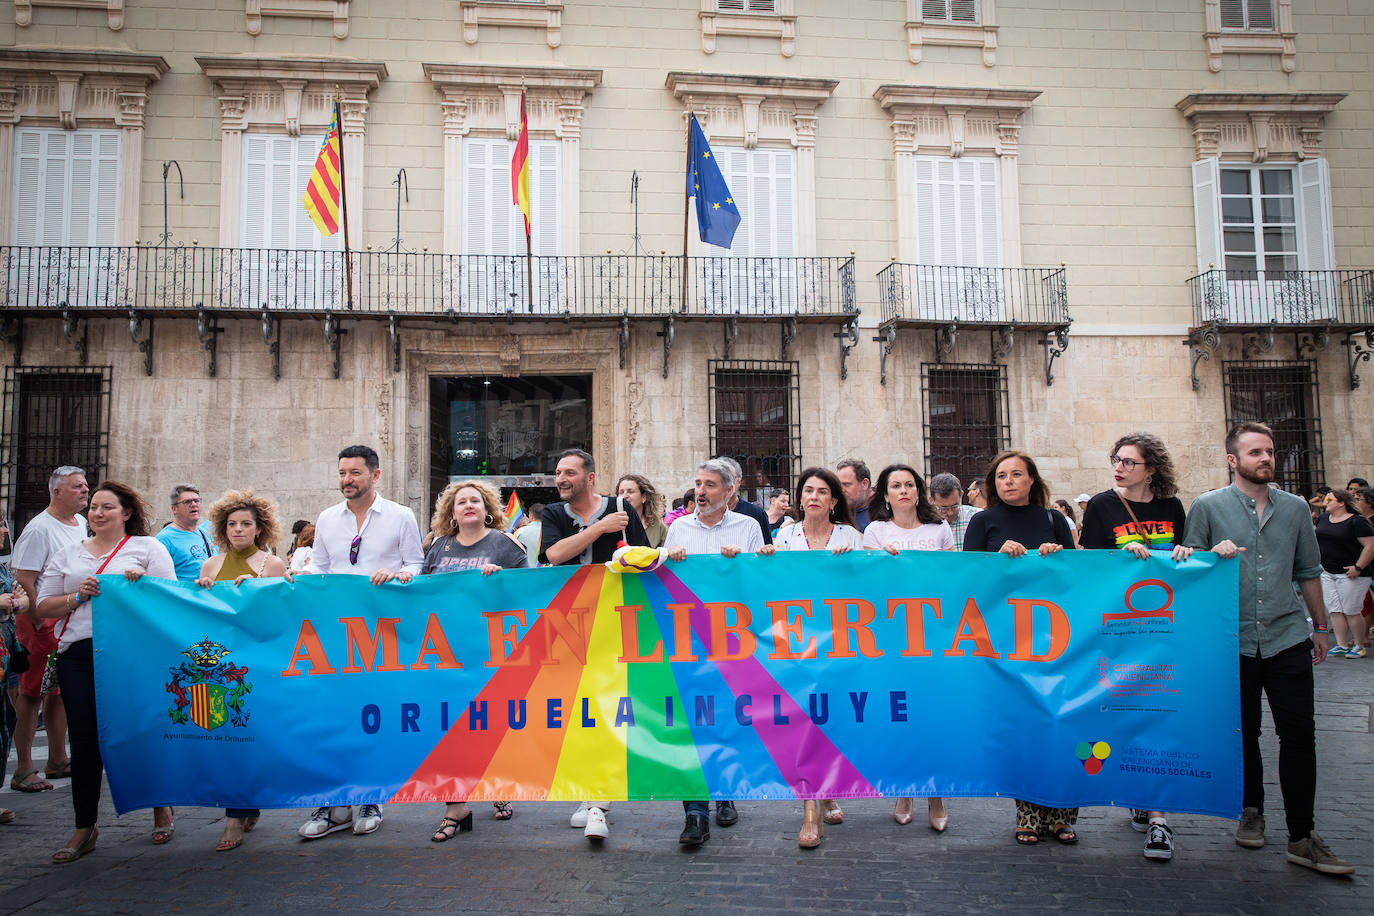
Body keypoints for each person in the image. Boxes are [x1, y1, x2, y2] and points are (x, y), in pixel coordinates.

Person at [1182, 422, 1354, 876]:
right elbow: (1187, 568)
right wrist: (1209, 556)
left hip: (1286, 636)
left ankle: (1302, 835)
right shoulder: (1208, 506)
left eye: (1271, 451)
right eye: (1256, 452)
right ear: (1232, 460)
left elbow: (1309, 570)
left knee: (1299, 734)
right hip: (1231, 640)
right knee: (1245, 733)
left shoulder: (1296, 508)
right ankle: (1251, 811)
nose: (1267, 459)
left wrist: (1320, 626)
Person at [34, 482, 176, 862]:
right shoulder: (67, 554)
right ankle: (85, 826)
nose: (97, 514)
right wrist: (76, 596)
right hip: (78, 655)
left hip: (131, 656)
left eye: (107, 507)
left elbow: (171, 602)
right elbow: (44, 607)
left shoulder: (149, 549)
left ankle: (159, 804)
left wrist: (140, 588)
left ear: (126, 512)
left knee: (140, 732)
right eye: (93, 507)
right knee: (84, 741)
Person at [298, 444, 424, 840]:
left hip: (381, 634)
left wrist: (400, 575)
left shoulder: (401, 516)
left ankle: (371, 795)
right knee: (333, 716)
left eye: (354, 472)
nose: (346, 480)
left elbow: (416, 564)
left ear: (375, 475)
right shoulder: (326, 519)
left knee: (371, 715)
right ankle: (332, 803)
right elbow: (318, 567)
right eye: (341, 473)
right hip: (334, 634)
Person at [1077, 432, 1193, 861]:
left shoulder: (1172, 508)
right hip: (1118, 631)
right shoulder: (1104, 507)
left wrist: (1185, 551)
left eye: (1129, 461)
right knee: (1124, 715)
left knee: (1159, 716)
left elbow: (1189, 558)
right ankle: (1140, 791)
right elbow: (1089, 565)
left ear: (1152, 468)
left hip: (1164, 630)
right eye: (1117, 459)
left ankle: (1160, 821)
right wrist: (1121, 559)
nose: (1119, 467)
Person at [963, 450, 1077, 846]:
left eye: (1017, 474)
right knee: (1024, 725)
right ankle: (1028, 811)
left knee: (1060, 720)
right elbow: (969, 581)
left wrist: (1057, 558)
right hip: (1006, 641)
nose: (1008, 481)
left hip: (1056, 638)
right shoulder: (982, 521)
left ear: (1032, 480)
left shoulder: (1054, 520)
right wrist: (999, 562)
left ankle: (1063, 812)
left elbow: (1078, 577)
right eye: (1001, 476)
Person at [539, 448, 649, 841]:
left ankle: (600, 803)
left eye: (568, 472)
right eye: (557, 472)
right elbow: (554, 556)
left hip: (615, 623)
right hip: (569, 625)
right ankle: (587, 794)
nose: (560, 478)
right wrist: (599, 530)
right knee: (577, 711)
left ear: (589, 478)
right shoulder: (554, 515)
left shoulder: (621, 507)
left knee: (607, 706)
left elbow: (642, 558)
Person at [420, 480, 530, 840]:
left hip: (490, 654)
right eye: (461, 501)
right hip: (446, 655)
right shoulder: (439, 547)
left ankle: (496, 788)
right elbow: (422, 593)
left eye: (476, 501)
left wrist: (503, 581)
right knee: (450, 731)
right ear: (451, 512)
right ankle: (456, 807)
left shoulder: (505, 544)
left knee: (490, 725)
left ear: (487, 510)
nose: (468, 506)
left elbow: (533, 592)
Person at [664, 457, 763, 847]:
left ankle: (725, 791)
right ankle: (695, 814)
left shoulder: (749, 527)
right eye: (697, 483)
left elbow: (759, 585)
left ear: (729, 491)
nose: (700, 492)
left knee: (725, 718)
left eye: (709, 485)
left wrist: (741, 565)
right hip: (688, 643)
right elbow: (663, 584)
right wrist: (666, 562)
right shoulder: (679, 529)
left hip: (732, 642)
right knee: (693, 724)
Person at [760, 467, 861, 847]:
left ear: (834, 501)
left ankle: (825, 791)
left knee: (829, 721)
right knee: (804, 721)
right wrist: (765, 557)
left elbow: (873, 584)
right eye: (808, 491)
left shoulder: (851, 536)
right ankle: (809, 811)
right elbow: (771, 585)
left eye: (822, 491)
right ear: (800, 499)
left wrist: (857, 560)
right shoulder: (784, 537)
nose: (814, 497)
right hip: (795, 644)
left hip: (840, 644)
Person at [860, 464, 954, 832]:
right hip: (891, 638)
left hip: (934, 637)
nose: (902, 490)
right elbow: (868, 586)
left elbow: (951, 580)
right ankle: (904, 790)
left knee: (933, 714)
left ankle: (937, 794)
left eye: (909, 484)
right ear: (884, 494)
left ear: (919, 492)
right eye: (895, 485)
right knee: (900, 714)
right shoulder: (875, 531)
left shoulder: (939, 529)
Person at [193, 489, 288, 852]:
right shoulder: (210, 566)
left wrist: (256, 593)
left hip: (256, 665)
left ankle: (240, 811)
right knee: (229, 739)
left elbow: (277, 621)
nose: (238, 530)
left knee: (250, 739)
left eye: (245, 524)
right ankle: (238, 812)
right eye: (232, 524)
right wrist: (202, 592)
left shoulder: (272, 566)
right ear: (222, 528)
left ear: (259, 528)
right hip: (219, 667)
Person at [8, 466, 86, 795]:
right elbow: (24, 576)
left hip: (65, 618)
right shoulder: (40, 528)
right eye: (77, 487)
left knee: (58, 691)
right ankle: (24, 767)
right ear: (57, 492)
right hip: (41, 620)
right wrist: (40, 618)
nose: (85, 491)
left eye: (85, 485)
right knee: (32, 693)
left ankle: (58, 758)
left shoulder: (80, 523)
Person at [1314, 489, 1373, 659]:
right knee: (1334, 609)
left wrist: (1358, 567)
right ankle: (1341, 644)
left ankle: (1359, 645)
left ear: (1341, 503)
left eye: (1329, 500)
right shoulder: (1324, 518)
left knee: (1351, 609)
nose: (1325, 503)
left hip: (1351, 573)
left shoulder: (1357, 521)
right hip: (1328, 570)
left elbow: (1370, 546)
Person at [1, 513, 28, 826]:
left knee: (6, 717)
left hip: (6, 649)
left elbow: (19, 604)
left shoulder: (2, 567)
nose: (5, 529)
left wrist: (15, 601)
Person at [155, 485, 218, 581]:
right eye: (187, 502)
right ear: (174, 509)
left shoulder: (205, 533)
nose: (193, 504)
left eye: (197, 501)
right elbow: (157, 580)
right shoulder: (163, 540)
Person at [718, 457, 773, 546]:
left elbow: (767, 551)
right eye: (720, 479)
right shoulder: (703, 515)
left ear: (739, 482)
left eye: (729, 478)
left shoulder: (756, 514)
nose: (725, 483)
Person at [929, 473, 980, 550]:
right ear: (931, 500)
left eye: (955, 506)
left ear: (961, 495)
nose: (950, 512)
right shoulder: (925, 523)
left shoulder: (976, 517)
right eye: (944, 507)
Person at [617, 475, 668, 548]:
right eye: (621, 492)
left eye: (630, 492)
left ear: (644, 497)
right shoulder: (612, 525)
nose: (625, 496)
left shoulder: (659, 527)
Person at [835, 458, 873, 532]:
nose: (841, 490)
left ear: (864, 484)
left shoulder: (884, 512)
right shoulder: (836, 511)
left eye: (846, 484)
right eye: (839, 485)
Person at [514, 501, 544, 566]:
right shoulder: (553, 532)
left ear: (531, 516)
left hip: (526, 572)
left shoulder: (519, 532)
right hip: (549, 572)